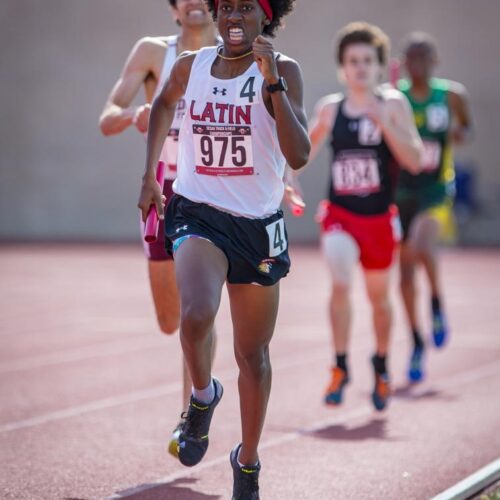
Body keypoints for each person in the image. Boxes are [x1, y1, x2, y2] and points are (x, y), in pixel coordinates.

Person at [138, 0, 309, 497]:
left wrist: (271, 78)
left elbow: (298, 153)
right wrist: (149, 174)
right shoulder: (191, 67)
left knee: (252, 355)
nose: (234, 17)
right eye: (226, 8)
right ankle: (201, 397)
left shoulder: (284, 70)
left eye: (246, 9)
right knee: (195, 315)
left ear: (266, 18)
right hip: (198, 210)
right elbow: (163, 104)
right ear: (217, 15)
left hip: (256, 225)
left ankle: (248, 461)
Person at [99, 0, 219, 453]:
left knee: (199, 309)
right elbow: (106, 116)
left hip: (211, 193)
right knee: (171, 320)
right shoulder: (153, 52)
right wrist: (135, 115)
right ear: (173, 8)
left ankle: (193, 414)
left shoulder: (230, 52)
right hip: (164, 194)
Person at [306, 22, 422, 411]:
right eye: (352, 61)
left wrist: (384, 123)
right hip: (340, 214)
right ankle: (340, 365)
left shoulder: (392, 105)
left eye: (367, 61)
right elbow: (298, 152)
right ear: (343, 68)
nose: (359, 68)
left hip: (378, 219)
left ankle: (381, 364)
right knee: (340, 278)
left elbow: (416, 159)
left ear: (379, 67)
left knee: (378, 298)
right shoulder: (330, 108)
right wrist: (284, 180)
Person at [396, 32, 474, 382]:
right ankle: (415, 340)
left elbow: (467, 129)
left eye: (423, 57)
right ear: (404, 61)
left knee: (422, 244)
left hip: (436, 189)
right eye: (411, 57)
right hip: (400, 192)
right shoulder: (396, 98)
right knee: (405, 274)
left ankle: (438, 305)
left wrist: (460, 135)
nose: (417, 64)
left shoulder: (451, 95)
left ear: (434, 60)